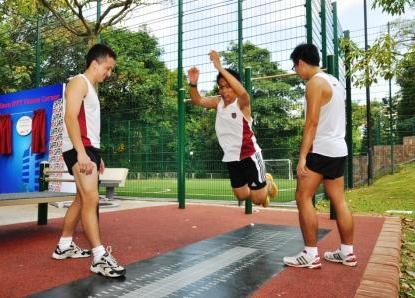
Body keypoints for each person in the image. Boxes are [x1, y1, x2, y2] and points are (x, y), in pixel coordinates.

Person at [51, 44, 126, 278]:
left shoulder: (91, 88)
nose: (109, 73)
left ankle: (64, 246)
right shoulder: (78, 82)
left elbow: (89, 126)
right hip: (78, 149)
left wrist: (96, 156)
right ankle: (99, 256)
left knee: (82, 199)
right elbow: (70, 117)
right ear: (95, 63)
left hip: (88, 149)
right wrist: (82, 152)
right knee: (91, 199)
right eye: (108, 68)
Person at [283, 43, 356, 269]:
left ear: (302, 63)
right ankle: (347, 253)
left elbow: (312, 122)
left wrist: (303, 156)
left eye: (295, 67)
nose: (296, 72)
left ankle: (311, 254)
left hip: (321, 149)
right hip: (338, 149)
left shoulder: (314, 84)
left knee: (302, 197)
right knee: (339, 200)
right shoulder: (334, 81)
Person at [187, 50, 278, 207]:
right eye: (221, 87)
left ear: (236, 86)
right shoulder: (218, 102)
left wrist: (220, 68)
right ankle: (261, 186)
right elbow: (197, 100)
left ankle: (267, 182)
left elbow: (243, 92)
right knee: (241, 196)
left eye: (228, 86)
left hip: (249, 154)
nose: (224, 91)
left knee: (257, 200)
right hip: (231, 156)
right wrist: (193, 83)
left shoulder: (242, 103)